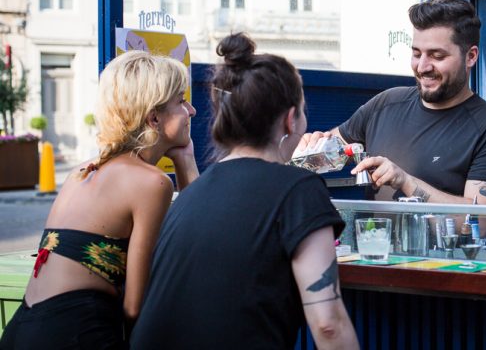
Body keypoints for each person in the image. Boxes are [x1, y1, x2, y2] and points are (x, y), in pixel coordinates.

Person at [130, 33, 358, 350]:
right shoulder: (299, 188)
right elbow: (328, 325)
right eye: (304, 111)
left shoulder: (192, 195)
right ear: (290, 120)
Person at [0, 50, 197, 349]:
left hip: (24, 328)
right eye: (181, 101)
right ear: (154, 117)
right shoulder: (150, 182)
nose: (192, 110)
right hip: (75, 332)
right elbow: (136, 306)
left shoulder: (83, 170)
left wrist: (184, 158)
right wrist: (187, 163)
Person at [299, 0, 486, 206]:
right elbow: (331, 153)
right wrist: (309, 151)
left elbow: (482, 219)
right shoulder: (385, 104)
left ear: (470, 56)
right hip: (373, 243)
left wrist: (406, 182)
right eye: (416, 53)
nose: (423, 66)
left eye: (437, 56)